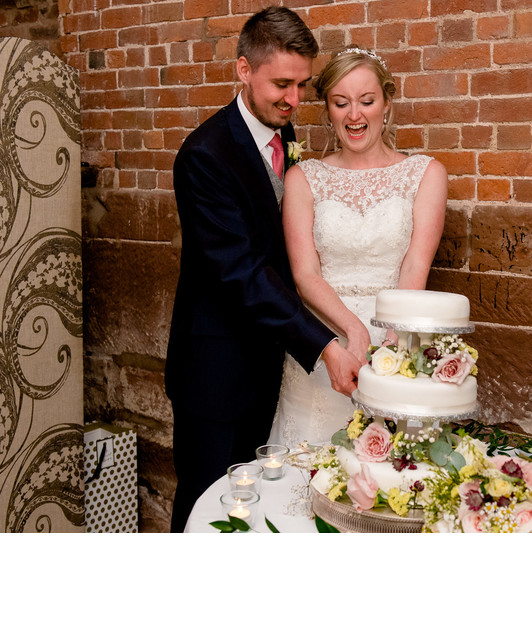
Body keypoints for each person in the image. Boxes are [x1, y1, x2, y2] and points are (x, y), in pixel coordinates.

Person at [165, 8, 361, 533]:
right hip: (215, 372)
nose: (294, 99)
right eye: (281, 84)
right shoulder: (205, 155)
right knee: (206, 510)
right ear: (243, 70)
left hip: (270, 368)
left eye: (302, 85)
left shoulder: (284, 132)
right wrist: (323, 343)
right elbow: (242, 273)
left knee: (257, 513)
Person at [268, 47, 448, 446]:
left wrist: (391, 341)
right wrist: (351, 331)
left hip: (396, 336)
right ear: (328, 109)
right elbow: (305, 274)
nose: (354, 115)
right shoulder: (304, 178)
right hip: (325, 340)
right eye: (341, 102)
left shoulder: (425, 174)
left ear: (386, 103)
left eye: (366, 101)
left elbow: (415, 266)